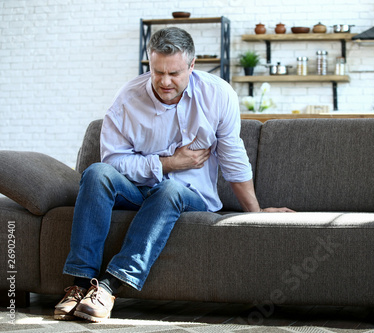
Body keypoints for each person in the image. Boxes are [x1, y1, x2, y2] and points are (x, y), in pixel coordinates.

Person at [53, 27, 294, 323]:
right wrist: (167, 164)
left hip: (189, 195)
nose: (165, 82)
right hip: (137, 191)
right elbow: (113, 161)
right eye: (158, 72)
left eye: (175, 73)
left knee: (168, 190)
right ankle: (79, 285)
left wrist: (254, 212)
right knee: (96, 173)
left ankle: (108, 287)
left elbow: (233, 157)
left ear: (192, 66)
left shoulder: (217, 95)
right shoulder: (127, 99)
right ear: (149, 64)